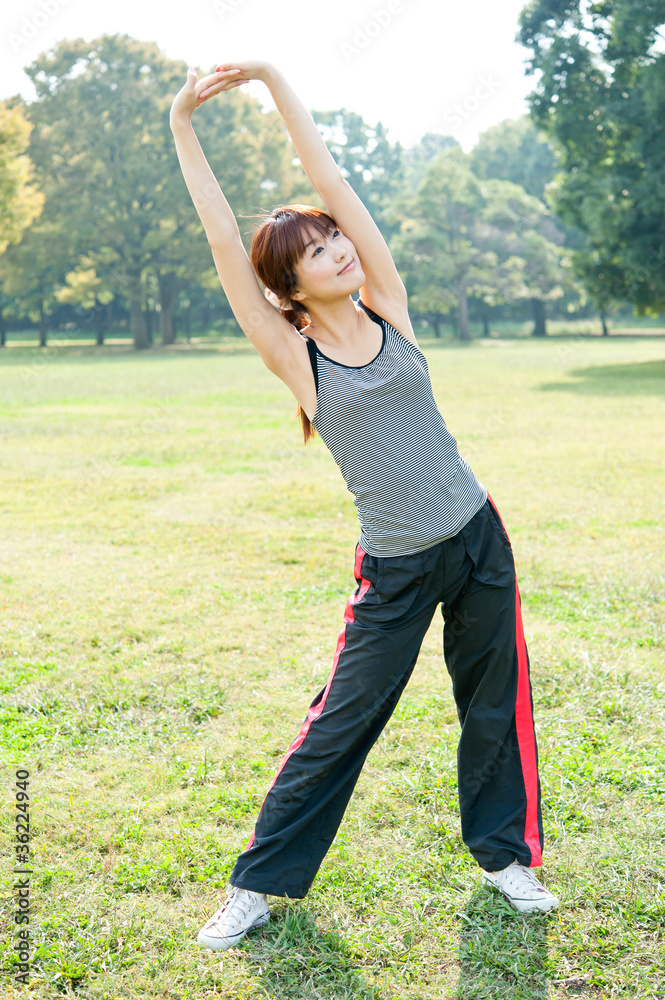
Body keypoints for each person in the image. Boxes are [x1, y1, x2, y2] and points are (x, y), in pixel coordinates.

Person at [169, 59, 559, 952]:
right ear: (291, 286)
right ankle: (257, 885)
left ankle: (505, 859)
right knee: (339, 722)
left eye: (334, 239)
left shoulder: (387, 306)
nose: (337, 250)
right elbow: (226, 241)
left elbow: (330, 178)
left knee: (493, 701)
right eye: (313, 253)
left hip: (475, 535)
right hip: (392, 564)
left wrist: (271, 79)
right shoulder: (293, 355)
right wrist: (184, 127)